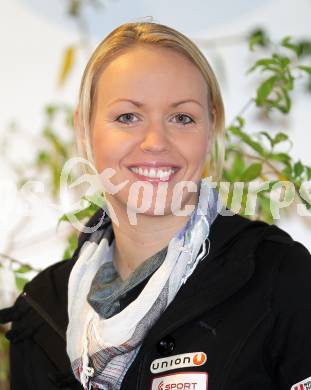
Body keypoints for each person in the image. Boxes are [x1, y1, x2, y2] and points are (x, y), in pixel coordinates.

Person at [0, 20, 311, 390]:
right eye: (128, 117)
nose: (155, 141)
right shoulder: (43, 308)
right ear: (84, 128)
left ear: (211, 130)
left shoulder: (278, 278)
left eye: (182, 118)